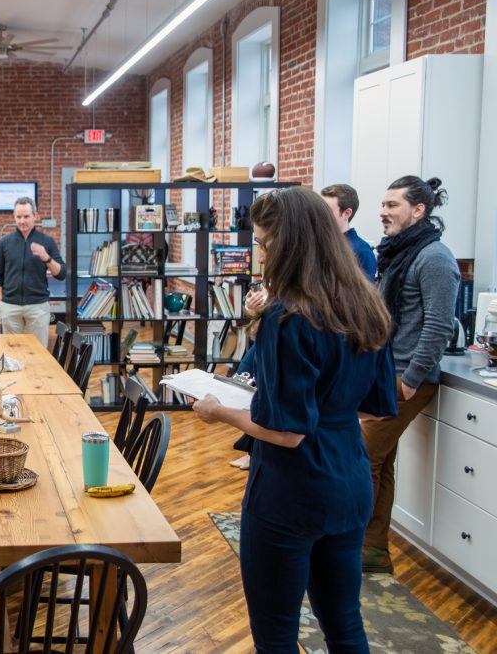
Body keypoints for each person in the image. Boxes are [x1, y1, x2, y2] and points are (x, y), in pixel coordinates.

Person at [192, 187, 397, 652]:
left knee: (277, 631)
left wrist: (219, 410)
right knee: (345, 621)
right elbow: (373, 405)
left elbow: (286, 434)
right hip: (348, 478)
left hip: (292, 490)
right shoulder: (366, 306)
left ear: (288, 244)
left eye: (264, 244)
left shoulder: (288, 318)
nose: (261, 254)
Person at [361, 176, 460, 573]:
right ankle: (372, 551)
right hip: (387, 372)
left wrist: (410, 380)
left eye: (392, 205)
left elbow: (439, 326)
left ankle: (351, 543)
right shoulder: (400, 253)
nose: (383, 212)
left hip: (405, 378)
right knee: (379, 463)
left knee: (362, 458)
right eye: (382, 204)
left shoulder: (435, 258)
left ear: (419, 210)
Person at [0, 197, 66, 347]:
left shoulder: (47, 241)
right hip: (9, 308)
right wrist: (1, 305)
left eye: (26, 216)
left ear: (35, 216)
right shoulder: (4, 243)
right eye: (18, 217)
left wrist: (46, 258)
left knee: (39, 355)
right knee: (11, 355)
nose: (22, 221)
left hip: (38, 308)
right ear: (14, 217)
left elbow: (61, 274)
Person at [320, 183, 377, 280]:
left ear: (347, 213)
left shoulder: (362, 251)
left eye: (326, 211)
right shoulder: (318, 244)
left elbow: (363, 294)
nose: (320, 215)